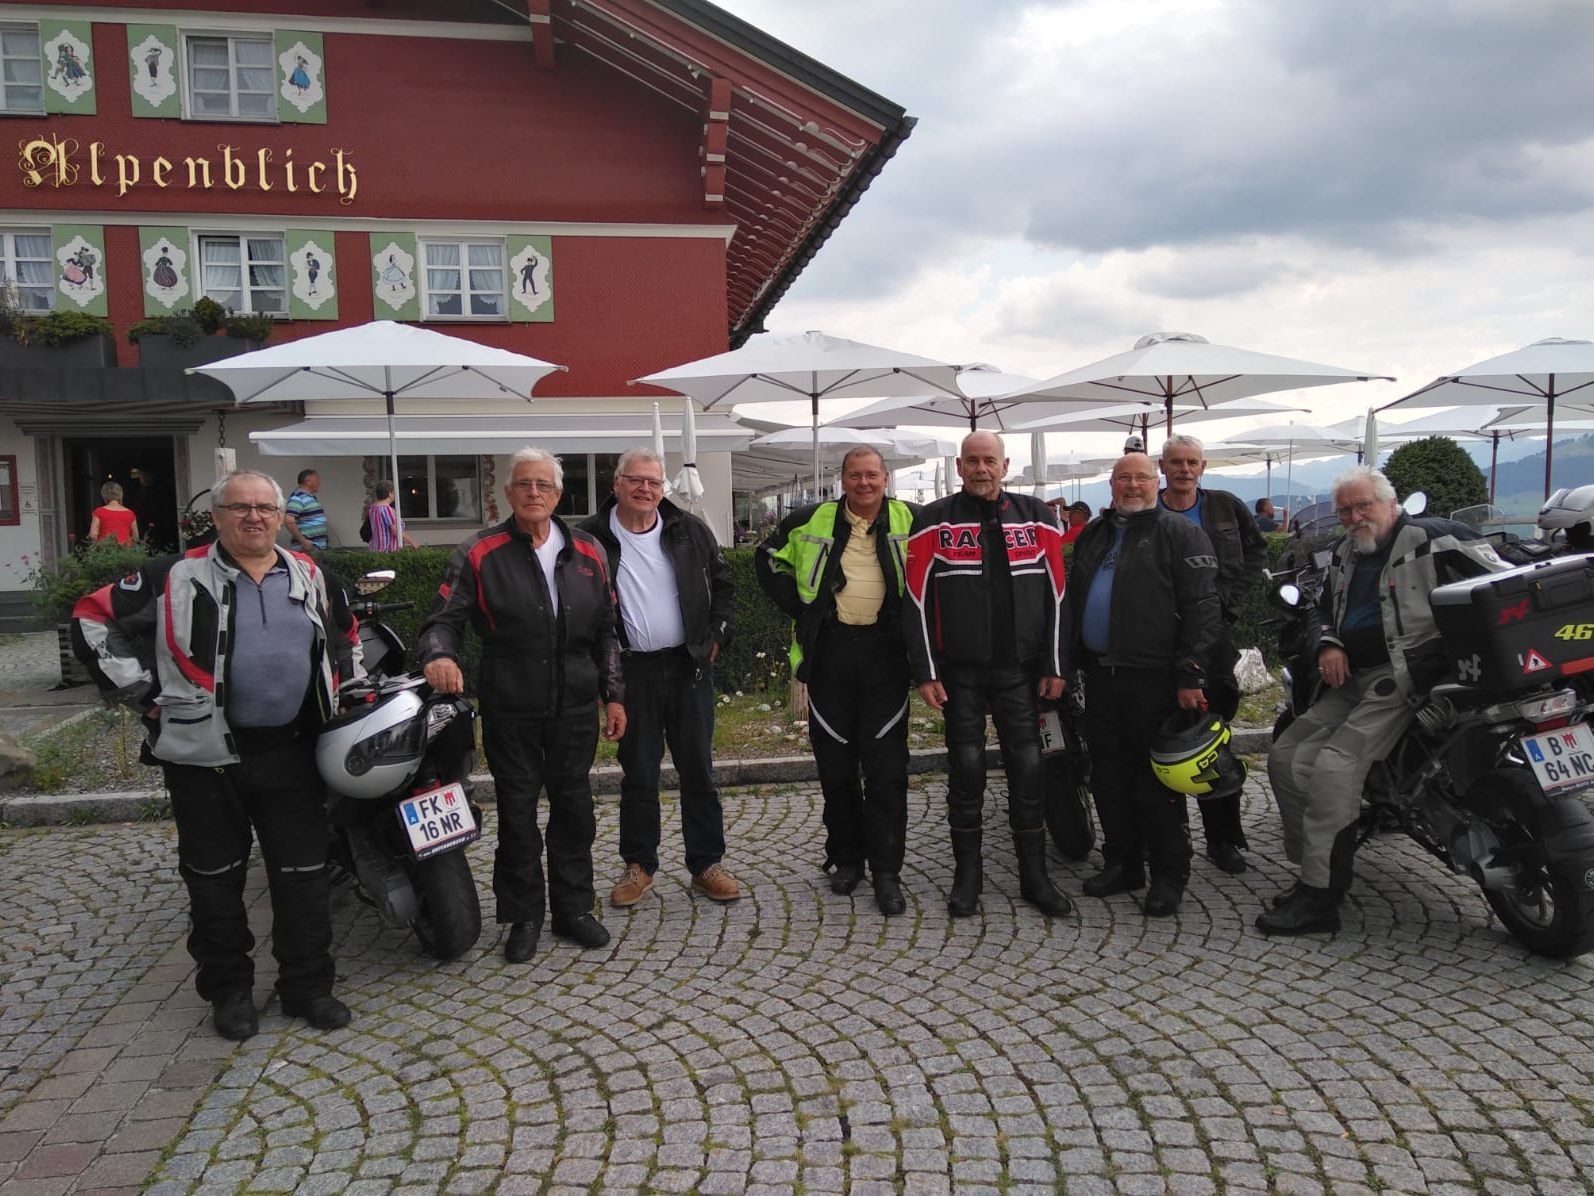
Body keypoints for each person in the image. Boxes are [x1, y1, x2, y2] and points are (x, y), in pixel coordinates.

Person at [71, 470, 363, 1040]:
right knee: (214, 878)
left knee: (303, 875)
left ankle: (307, 986)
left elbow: (347, 636)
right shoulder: (171, 575)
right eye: (240, 507)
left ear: (281, 517)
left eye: (265, 508)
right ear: (218, 516)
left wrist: (340, 693)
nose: (253, 517)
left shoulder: (311, 573)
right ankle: (229, 991)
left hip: (293, 751)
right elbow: (90, 618)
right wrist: (145, 698)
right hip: (203, 756)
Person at [1260, 466, 1507, 934]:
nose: (1355, 517)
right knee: (1286, 757)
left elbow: (1503, 585)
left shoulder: (1435, 538)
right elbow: (1321, 609)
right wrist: (1328, 643)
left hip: (1408, 678)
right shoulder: (1344, 553)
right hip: (1355, 676)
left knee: (1335, 766)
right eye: (1345, 510)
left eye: (1363, 506)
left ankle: (1321, 899)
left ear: (1390, 504)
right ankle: (1318, 866)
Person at [418, 447, 625, 962]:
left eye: (544, 485)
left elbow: (607, 631)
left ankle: (574, 908)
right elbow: (443, 618)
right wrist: (439, 655)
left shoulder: (589, 551)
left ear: (559, 495)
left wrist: (614, 694)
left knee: (574, 809)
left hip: (575, 706)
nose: (534, 493)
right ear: (506, 493)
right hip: (510, 704)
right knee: (516, 813)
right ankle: (523, 915)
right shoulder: (479, 551)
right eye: (523, 484)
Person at [903, 430, 1071, 919]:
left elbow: (1059, 595)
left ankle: (1035, 877)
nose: (981, 469)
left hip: (1022, 673)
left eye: (989, 461)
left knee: (1030, 770)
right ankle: (967, 878)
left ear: (1006, 465)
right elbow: (913, 602)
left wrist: (1056, 665)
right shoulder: (932, 519)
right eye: (972, 461)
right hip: (960, 676)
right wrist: (926, 672)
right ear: (959, 467)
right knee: (967, 771)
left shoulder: (1039, 517)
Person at [578, 447, 741, 909]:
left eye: (654, 482)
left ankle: (706, 864)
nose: (645, 489)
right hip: (630, 672)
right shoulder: (588, 538)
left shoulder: (688, 530)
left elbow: (723, 585)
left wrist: (715, 638)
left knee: (699, 770)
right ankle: (639, 865)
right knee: (639, 773)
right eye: (636, 480)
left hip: (689, 665)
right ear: (617, 484)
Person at [758, 446, 918, 915]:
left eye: (872, 475)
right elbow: (767, 558)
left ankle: (887, 871)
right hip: (830, 655)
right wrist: (803, 609)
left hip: (888, 656)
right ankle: (847, 859)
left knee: (888, 769)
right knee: (836, 766)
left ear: (886, 479)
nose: (864, 483)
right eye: (855, 475)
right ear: (841, 479)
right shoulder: (811, 519)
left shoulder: (915, 518)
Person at [1061, 452, 1222, 917]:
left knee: (1157, 782)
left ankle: (1170, 874)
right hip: (1103, 676)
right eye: (1123, 478)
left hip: (1156, 680)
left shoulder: (1179, 532)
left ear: (1156, 484)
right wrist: (1067, 665)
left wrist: (1191, 672)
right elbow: (1074, 602)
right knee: (1108, 777)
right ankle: (1123, 862)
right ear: (1110, 484)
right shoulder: (1095, 533)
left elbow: (1203, 607)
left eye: (1141, 478)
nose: (1133, 486)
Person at [1157, 434, 1268, 874]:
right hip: (1161, 642)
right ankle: (1172, 838)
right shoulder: (1151, 506)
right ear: (1162, 468)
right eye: (1176, 463)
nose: (1184, 470)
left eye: (1192, 463)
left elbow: (1256, 550)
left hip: (1214, 642)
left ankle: (1223, 840)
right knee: (1164, 739)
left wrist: (1229, 605)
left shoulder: (1224, 505)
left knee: (1214, 741)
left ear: (1202, 468)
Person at [365, 481, 418, 551]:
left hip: (375, 548)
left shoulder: (373, 508)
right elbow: (396, 530)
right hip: (388, 550)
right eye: (394, 492)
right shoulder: (387, 510)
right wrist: (413, 542)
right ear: (390, 494)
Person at [285, 469, 329, 552]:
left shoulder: (309, 497)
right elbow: (288, 520)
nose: (319, 483)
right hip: (307, 548)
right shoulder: (297, 497)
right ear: (307, 481)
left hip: (315, 547)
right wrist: (303, 542)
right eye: (316, 480)